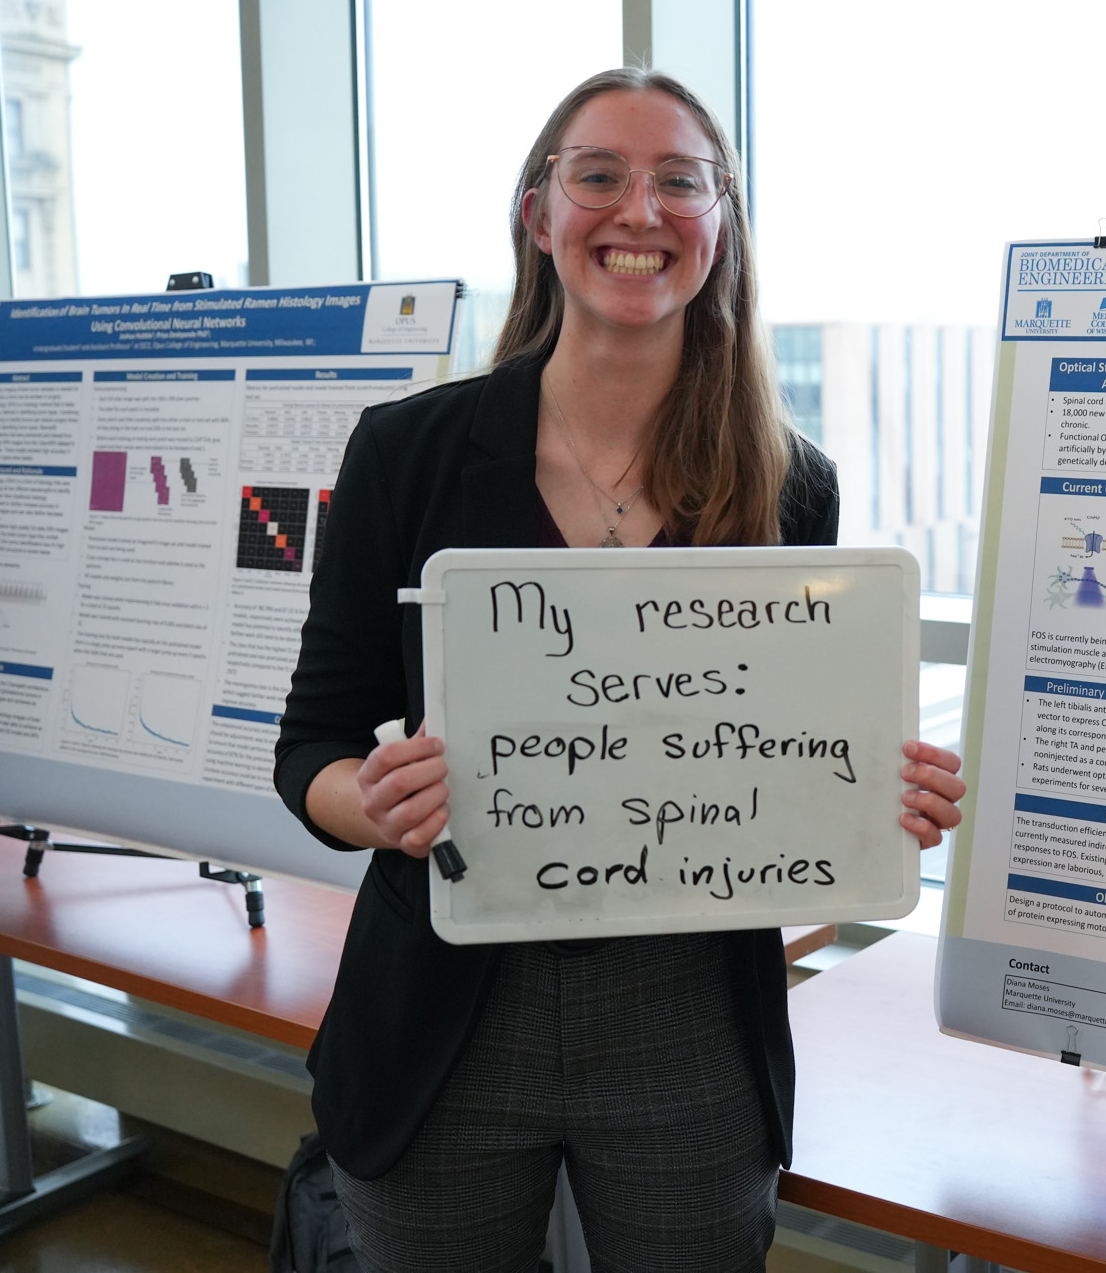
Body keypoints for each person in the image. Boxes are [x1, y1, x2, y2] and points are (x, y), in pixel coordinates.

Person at [273, 68, 966, 1273]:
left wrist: (874, 805)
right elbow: (311, 746)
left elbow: (778, 754)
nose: (637, 212)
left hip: (687, 1023)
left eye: (678, 183)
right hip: (439, 1019)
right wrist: (367, 802)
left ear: (720, 226)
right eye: (598, 176)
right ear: (539, 215)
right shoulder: (407, 453)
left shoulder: (789, 482)